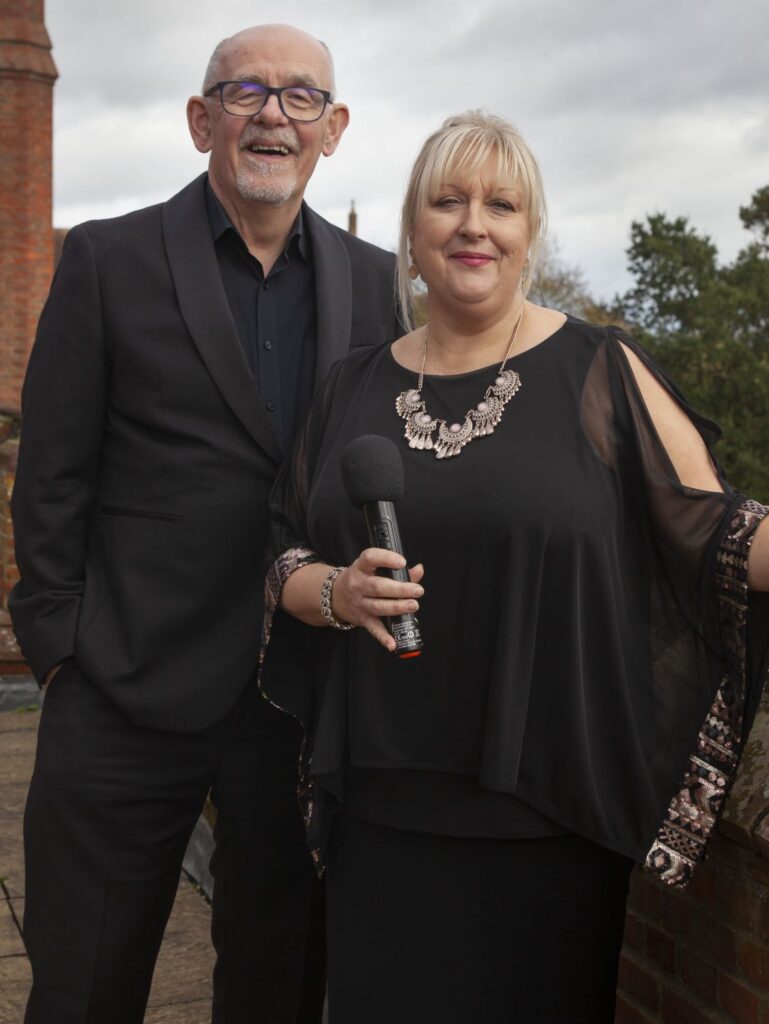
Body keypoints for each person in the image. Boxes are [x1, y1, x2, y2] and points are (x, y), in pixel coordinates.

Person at [261, 110, 769, 1023]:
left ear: (529, 232)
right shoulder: (351, 385)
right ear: (412, 229)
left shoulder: (598, 368)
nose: (473, 224)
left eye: (500, 204)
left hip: (546, 813)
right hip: (381, 801)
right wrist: (333, 593)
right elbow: (283, 551)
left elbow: (717, 531)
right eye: (447, 200)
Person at [9, 23, 400, 1024]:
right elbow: (50, 475)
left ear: (333, 129)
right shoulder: (107, 260)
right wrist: (61, 651)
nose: (273, 113)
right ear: (201, 120)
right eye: (245, 91)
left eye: (301, 96)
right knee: (84, 991)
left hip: (297, 703)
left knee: (276, 989)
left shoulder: (379, 281)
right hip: (124, 698)